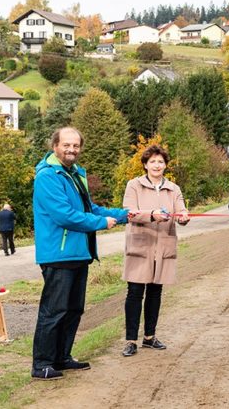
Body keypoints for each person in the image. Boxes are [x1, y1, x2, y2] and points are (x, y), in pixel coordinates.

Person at [31, 127, 129, 380]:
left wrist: (126, 215)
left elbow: (90, 208)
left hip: (78, 253)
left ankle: (62, 357)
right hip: (58, 255)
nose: (72, 149)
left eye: (76, 145)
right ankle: (42, 363)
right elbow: (64, 216)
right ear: (55, 145)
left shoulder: (74, 174)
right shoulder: (48, 176)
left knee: (73, 310)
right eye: (66, 145)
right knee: (54, 311)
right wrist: (101, 223)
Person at [120, 145, 190, 357]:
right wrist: (152, 214)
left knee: (155, 291)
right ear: (145, 164)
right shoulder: (134, 185)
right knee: (135, 292)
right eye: (152, 162)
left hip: (163, 245)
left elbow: (181, 209)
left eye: (160, 162)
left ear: (165, 165)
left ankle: (149, 337)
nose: (157, 165)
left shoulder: (173, 188)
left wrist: (184, 216)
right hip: (140, 245)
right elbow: (129, 212)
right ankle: (131, 340)